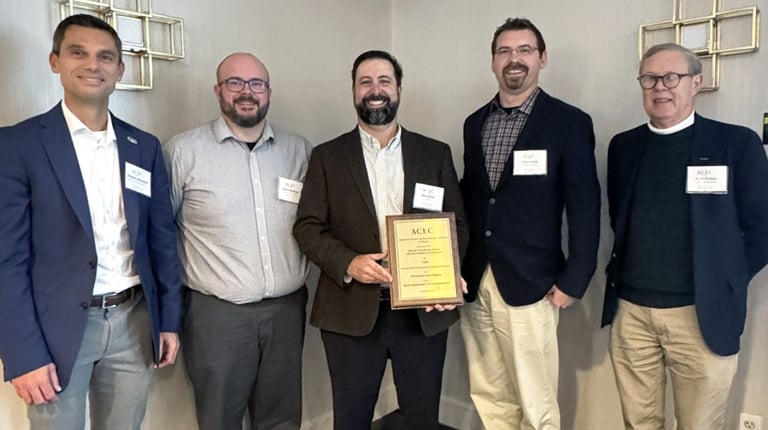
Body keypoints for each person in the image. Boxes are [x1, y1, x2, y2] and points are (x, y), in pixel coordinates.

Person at [0, 14, 182, 430]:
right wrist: (22, 353)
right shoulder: (17, 145)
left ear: (120, 69)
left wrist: (168, 320)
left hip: (133, 322)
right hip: (57, 329)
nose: (92, 65)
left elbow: (161, 242)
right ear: (55, 61)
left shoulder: (144, 147)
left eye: (105, 57)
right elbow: (5, 260)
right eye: (78, 53)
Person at [293, 50, 468, 430]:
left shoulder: (434, 153)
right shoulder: (327, 157)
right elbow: (307, 227)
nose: (376, 90)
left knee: (423, 420)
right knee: (352, 419)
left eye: (384, 81)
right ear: (354, 92)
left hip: (422, 314)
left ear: (399, 89)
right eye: (365, 82)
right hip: (350, 312)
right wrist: (348, 263)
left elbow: (458, 225)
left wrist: (447, 274)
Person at [602, 43, 768, 430]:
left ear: (696, 83)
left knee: (699, 424)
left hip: (700, 314)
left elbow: (762, 227)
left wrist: (726, 279)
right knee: (638, 422)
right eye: (649, 78)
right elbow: (619, 217)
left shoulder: (735, 144)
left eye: (671, 77)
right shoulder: (623, 147)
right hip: (632, 313)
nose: (660, 87)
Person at [459, 17, 601, 429]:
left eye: (524, 50)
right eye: (504, 51)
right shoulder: (475, 123)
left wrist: (575, 278)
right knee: (488, 391)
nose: (514, 59)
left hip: (532, 281)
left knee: (535, 399)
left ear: (542, 58)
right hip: (476, 275)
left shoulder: (568, 122)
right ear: (493, 62)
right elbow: (474, 196)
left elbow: (584, 207)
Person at [163, 52, 311, 430]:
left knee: (281, 419)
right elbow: (160, 234)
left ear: (269, 92)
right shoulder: (183, 152)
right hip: (217, 316)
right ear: (218, 90)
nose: (247, 92)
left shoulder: (299, 151)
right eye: (235, 83)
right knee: (220, 419)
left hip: (286, 312)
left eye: (256, 84)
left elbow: (316, 224)